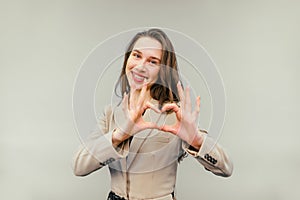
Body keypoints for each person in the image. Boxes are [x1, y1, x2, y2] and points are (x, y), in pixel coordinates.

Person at [72, 28, 233, 200]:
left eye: (152, 61)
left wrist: (196, 139)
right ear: (127, 59)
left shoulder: (174, 114)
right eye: (136, 55)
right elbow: (79, 166)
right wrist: (119, 135)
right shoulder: (111, 113)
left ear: (163, 70)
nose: (140, 66)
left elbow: (226, 168)